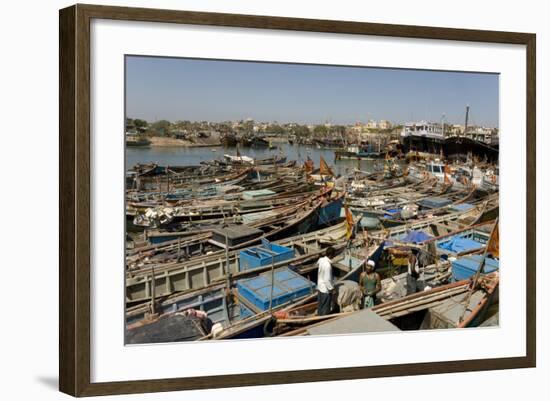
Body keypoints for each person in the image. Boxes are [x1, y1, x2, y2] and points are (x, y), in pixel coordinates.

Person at [317, 246, 335, 316]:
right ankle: (323, 320)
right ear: (331, 255)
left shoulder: (321, 260)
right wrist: (332, 289)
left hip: (320, 286)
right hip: (325, 289)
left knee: (320, 305)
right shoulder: (328, 266)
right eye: (333, 255)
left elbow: (317, 263)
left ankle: (319, 316)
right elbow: (327, 280)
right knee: (325, 307)